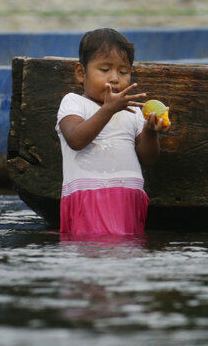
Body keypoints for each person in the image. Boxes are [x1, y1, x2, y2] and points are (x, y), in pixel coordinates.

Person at [56, 28, 167, 236]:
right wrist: (108, 110)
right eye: (105, 70)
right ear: (81, 73)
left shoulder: (134, 112)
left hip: (128, 198)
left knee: (126, 251)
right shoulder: (74, 102)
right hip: (88, 196)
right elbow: (75, 140)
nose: (115, 78)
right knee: (93, 249)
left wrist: (150, 131)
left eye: (123, 72)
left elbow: (149, 159)